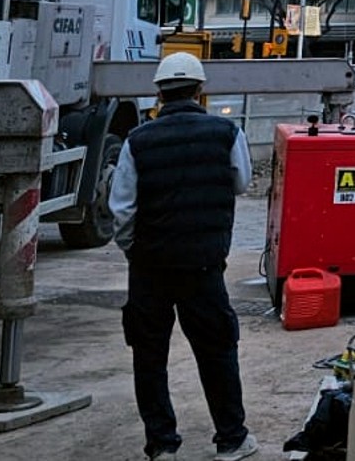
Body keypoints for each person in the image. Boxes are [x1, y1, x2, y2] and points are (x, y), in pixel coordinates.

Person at [110, 52, 259, 461]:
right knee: (217, 351)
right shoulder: (227, 132)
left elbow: (122, 210)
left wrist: (136, 252)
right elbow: (242, 184)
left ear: (158, 93)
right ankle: (231, 439)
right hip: (204, 266)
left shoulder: (137, 141)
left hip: (150, 268)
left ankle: (162, 445)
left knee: (149, 357)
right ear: (200, 90)